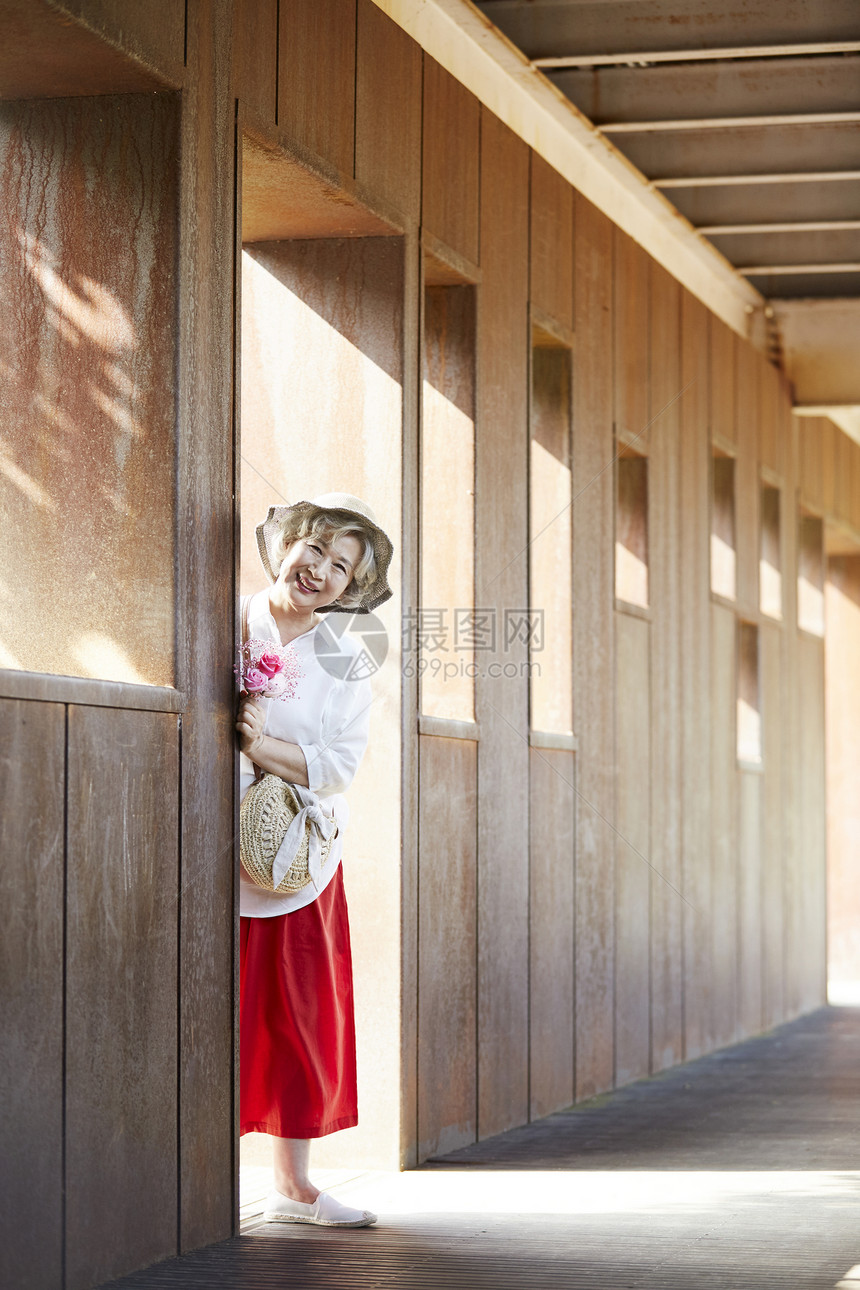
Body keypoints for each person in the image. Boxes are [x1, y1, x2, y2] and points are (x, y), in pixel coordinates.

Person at [235, 493, 393, 1228]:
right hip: (203, 843)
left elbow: (337, 764)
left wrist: (257, 746)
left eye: (341, 566)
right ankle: (197, 1177)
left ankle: (294, 1185)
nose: (321, 570)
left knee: (298, 1012)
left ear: (353, 585)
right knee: (216, 1012)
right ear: (287, 542)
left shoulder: (347, 651)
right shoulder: (228, 616)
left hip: (292, 856)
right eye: (316, 549)